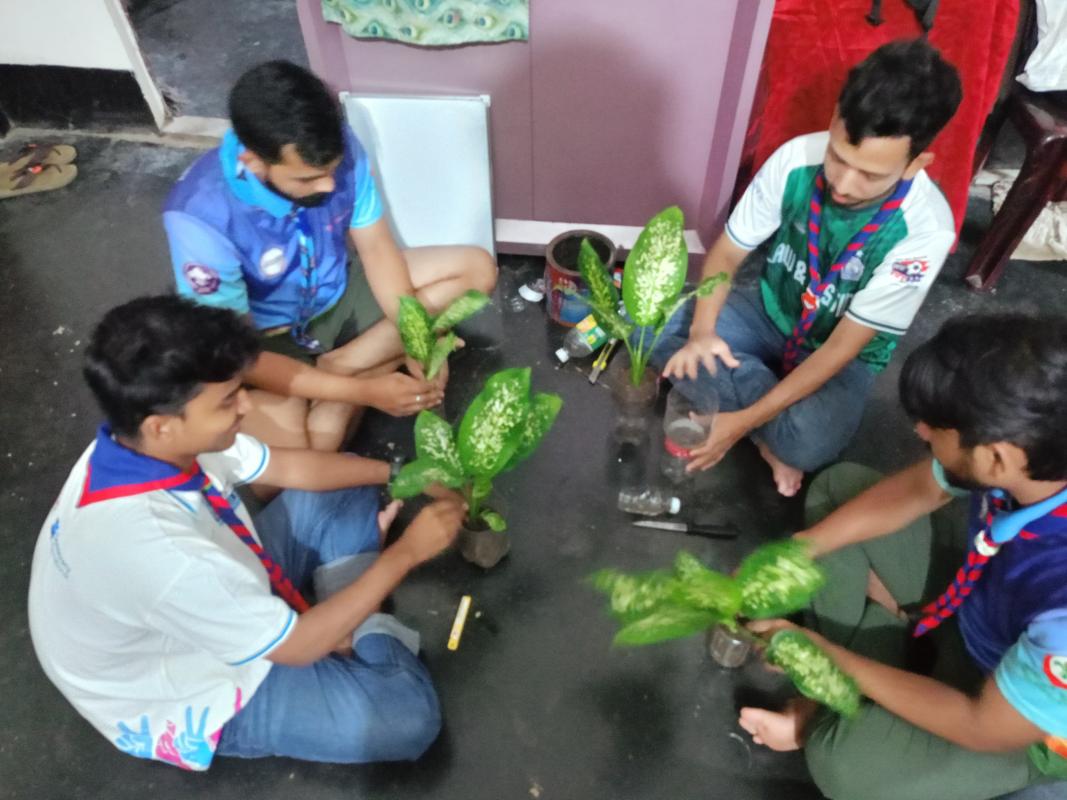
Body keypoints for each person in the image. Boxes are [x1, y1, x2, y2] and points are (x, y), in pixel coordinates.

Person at [28, 296, 465, 769]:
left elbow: (289, 467)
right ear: (162, 427)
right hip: (190, 684)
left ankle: (346, 613)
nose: (247, 405)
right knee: (405, 718)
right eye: (227, 401)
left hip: (204, 592)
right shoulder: (161, 555)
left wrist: (405, 475)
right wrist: (405, 554)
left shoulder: (142, 443)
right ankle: (357, 619)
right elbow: (296, 648)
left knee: (347, 479)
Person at [738, 313, 1067, 800]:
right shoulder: (1032, 454)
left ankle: (847, 690)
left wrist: (823, 657)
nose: (920, 430)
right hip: (981, 612)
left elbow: (981, 725)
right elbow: (918, 490)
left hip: (1019, 721)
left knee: (842, 764)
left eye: (936, 427)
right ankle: (882, 667)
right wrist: (796, 552)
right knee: (839, 492)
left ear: (997, 458)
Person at [653, 38, 961, 496]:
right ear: (834, 118)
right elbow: (727, 254)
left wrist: (741, 421)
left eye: (870, 175)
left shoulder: (924, 231)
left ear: (917, 163)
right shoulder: (797, 157)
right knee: (647, 327)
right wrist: (701, 335)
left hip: (838, 353)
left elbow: (841, 348)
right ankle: (765, 425)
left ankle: (750, 411)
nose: (842, 184)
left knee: (808, 442)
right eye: (838, 156)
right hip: (769, 311)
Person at [163, 60, 497, 452]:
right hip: (266, 340)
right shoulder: (199, 217)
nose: (327, 185)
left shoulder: (337, 145)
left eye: (333, 170)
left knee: (476, 270)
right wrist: (366, 392)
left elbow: (376, 249)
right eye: (307, 178)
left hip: (337, 294)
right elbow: (236, 354)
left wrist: (415, 341)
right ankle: (358, 377)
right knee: (300, 459)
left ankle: (344, 365)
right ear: (253, 161)